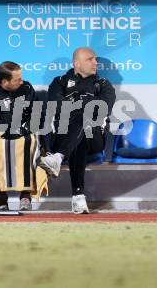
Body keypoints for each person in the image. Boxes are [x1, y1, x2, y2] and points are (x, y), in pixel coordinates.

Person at [39, 47, 116, 214]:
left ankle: (57, 159)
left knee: (83, 121)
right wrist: (87, 103)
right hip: (62, 136)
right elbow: (57, 108)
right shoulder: (58, 82)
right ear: (76, 63)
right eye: (90, 59)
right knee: (77, 137)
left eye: (95, 59)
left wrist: (76, 104)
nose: (95, 62)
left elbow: (103, 108)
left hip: (94, 138)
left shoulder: (103, 85)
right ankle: (78, 197)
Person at [0, 61, 42, 211]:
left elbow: (37, 111)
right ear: (4, 82)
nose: (22, 82)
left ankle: (25, 196)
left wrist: (27, 126)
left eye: (21, 77)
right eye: (17, 79)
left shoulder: (26, 88)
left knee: (27, 142)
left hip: (23, 130)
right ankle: (1, 198)